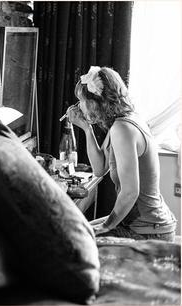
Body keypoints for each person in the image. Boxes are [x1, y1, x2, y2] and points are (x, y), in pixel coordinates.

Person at [66, 66, 177, 242]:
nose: (80, 106)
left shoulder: (122, 128)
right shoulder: (120, 121)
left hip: (148, 229)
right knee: (77, 230)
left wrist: (107, 226)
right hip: (142, 224)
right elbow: (99, 169)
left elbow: (130, 192)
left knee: (73, 242)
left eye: (82, 100)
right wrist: (87, 129)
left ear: (96, 102)